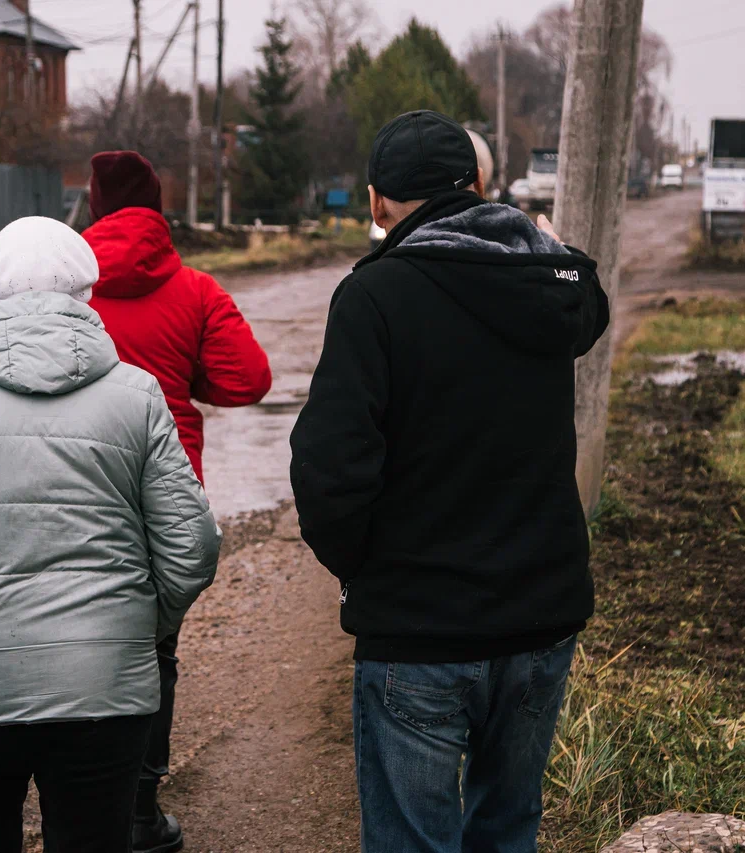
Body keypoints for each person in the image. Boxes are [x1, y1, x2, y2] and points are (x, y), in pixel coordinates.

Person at [289, 110, 610, 853]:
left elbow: (329, 475)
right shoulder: (545, 277)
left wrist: (369, 571)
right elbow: (586, 296)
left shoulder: (374, 297)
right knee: (507, 830)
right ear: (480, 186)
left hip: (420, 632)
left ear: (376, 204)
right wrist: (546, 241)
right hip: (540, 623)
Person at [0, 216, 221, 853]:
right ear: (87, 297)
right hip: (102, 682)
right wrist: (136, 625)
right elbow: (193, 545)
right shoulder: (137, 393)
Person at [82, 150, 271, 853]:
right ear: (159, 210)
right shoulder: (193, 289)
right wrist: (183, 373)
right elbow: (248, 378)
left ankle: (80, 800)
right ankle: (137, 811)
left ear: (95, 210)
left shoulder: (67, 288)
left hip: (78, 486)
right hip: (165, 491)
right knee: (154, 648)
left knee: (74, 633)